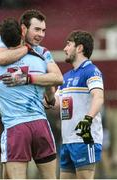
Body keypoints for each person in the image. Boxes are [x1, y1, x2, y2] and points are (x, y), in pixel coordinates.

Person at [0, 10, 63, 178]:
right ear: (23, 29)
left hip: (23, 119)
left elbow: (55, 78)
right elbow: (2, 59)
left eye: (43, 30)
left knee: (11, 176)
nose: (41, 35)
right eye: (37, 29)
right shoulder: (1, 40)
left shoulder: (43, 53)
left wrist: (30, 79)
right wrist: (26, 48)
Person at [55, 30, 104, 179]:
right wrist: (45, 88)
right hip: (67, 140)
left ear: (79, 48)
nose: (64, 49)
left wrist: (87, 119)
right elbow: (55, 103)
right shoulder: (66, 77)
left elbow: (99, 96)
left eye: (68, 44)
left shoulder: (91, 71)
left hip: (84, 139)